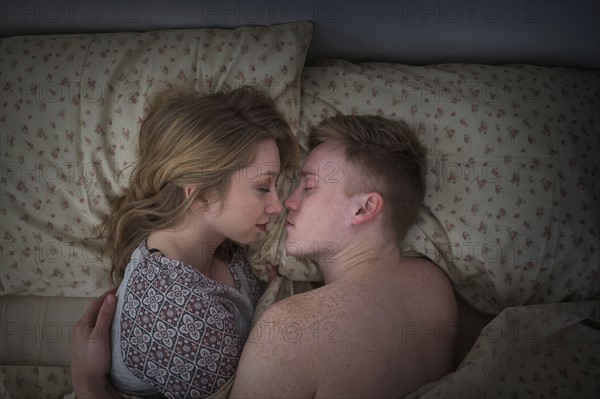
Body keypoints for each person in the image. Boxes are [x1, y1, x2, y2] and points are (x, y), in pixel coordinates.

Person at [72, 114, 458, 398]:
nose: (286, 202)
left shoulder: (290, 334)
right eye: (267, 188)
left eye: (307, 187)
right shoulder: (434, 285)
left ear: (364, 209)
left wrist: (89, 384)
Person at [84, 86, 299, 398]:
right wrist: (87, 384)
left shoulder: (223, 244)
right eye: (263, 188)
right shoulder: (177, 316)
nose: (278, 206)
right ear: (200, 194)